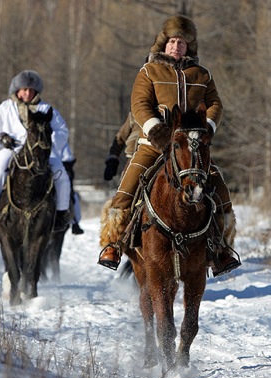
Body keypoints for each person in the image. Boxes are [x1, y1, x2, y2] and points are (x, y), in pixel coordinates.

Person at [97, 15, 241, 276]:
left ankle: (221, 250)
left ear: (190, 47)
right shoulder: (149, 72)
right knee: (127, 189)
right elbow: (139, 105)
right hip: (154, 144)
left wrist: (206, 129)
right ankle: (113, 245)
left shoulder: (202, 75)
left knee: (220, 189)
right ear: (163, 44)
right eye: (173, 41)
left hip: (192, 147)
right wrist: (157, 132)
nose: (177, 46)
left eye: (183, 42)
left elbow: (216, 104)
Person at [0, 70, 71, 231]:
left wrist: (47, 145)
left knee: (61, 174)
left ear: (36, 91)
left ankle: (61, 214)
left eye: (31, 90)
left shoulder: (46, 109)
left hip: (42, 152)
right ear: (17, 90)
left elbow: (62, 131)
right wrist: (1, 138)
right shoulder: (5, 109)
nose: (27, 93)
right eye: (24, 89)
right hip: (13, 149)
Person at [103, 112, 141, 181]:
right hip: (132, 156)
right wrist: (112, 158)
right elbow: (121, 136)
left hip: (158, 155)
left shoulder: (164, 110)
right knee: (126, 182)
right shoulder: (136, 111)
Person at [61, 142, 84, 234]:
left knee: (71, 195)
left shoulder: (58, 131)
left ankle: (75, 221)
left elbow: (68, 157)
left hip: (60, 164)